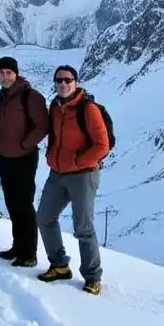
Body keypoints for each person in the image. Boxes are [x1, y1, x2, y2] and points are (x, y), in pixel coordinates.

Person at [37, 65, 110, 295]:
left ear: (76, 82)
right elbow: (54, 137)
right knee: (45, 218)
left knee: (83, 227)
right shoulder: (56, 108)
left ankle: (92, 277)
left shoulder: (88, 109)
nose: (63, 83)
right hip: (57, 174)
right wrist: (51, 156)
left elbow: (102, 145)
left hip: (82, 176)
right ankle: (59, 265)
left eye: (68, 79)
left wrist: (78, 162)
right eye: (59, 80)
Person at [0, 55, 50, 265]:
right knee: (12, 203)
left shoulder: (30, 97)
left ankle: (30, 253)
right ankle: (18, 246)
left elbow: (42, 126)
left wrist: (25, 145)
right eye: (1, 73)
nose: (5, 77)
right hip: (5, 156)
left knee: (24, 204)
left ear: (16, 74)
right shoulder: (3, 95)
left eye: (9, 73)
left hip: (24, 158)